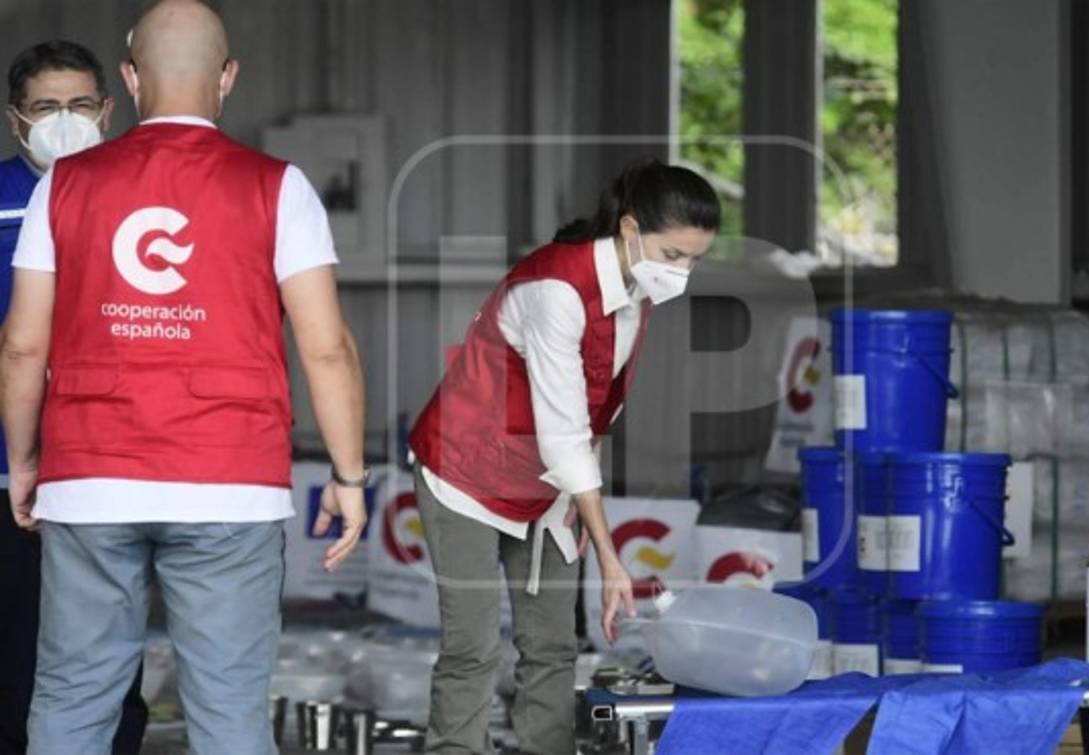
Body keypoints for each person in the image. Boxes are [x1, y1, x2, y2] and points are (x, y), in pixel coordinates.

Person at [2, 2, 368, 753]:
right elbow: (326, 346)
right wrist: (349, 474)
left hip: (91, 474)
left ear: (130, 80)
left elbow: (20, 346)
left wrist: (25, 460)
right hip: (230, 477)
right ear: (228, 77)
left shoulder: (61, 185)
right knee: (228, 711)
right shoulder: (279, 185)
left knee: (72, 699)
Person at [408, 158, 721, 754]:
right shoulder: (556, 288)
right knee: (473, 649)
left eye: (694, 259)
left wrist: (576, 502)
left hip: (547, 480)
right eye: (674, 255)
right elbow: (562, 430)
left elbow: (596, 402)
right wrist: (610, 556)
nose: (682, 272)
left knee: (553, 645)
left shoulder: (636, 287)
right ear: (630, 229)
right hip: (464, 472)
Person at [0, 39, 149, 755]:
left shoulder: (141, 201)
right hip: (5, 473)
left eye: (81, 105)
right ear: (15, 119)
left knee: (107, 656)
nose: (67, 119)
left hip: (105, 474)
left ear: (108, 110)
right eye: (46, 107)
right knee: (12, 656)